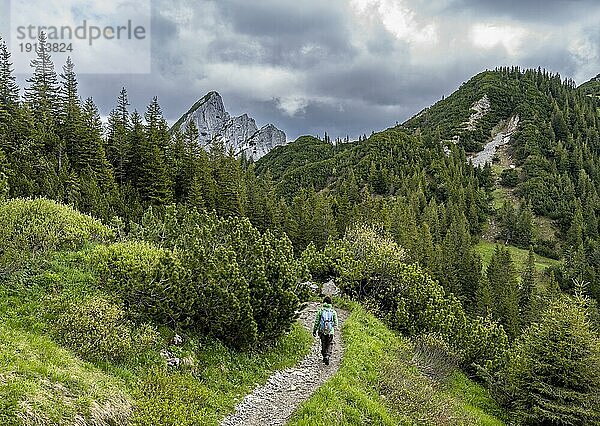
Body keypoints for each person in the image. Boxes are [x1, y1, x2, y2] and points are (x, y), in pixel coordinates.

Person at [312, 296, 338, 365]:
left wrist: (314, 330)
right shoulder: (333, 312)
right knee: (330, 343)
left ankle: (324, 356)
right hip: (330, 332)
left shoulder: (320, 311)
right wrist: (332, 327)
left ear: (323, 303)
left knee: (323, 343)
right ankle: (327, 355)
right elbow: (336, 323)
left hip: (322, 331)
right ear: (330, 303)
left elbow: (316, 322)